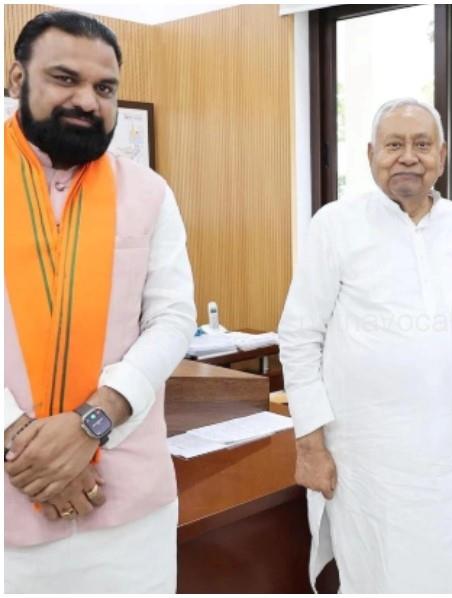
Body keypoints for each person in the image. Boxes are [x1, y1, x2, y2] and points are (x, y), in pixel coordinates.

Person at [4, 11, 196, 593]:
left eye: (105, 88)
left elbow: (172, 318)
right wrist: (28, 446)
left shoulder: (149, 191)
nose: (87, 100)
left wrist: (93, 422)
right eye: (65, 78)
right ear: (17, 78)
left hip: (128, 507)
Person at [278, 97, 452, 593]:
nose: (408, 157)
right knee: (379, 575)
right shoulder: (335, 223)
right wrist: (309, 445)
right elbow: (300, 335)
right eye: (394, 145)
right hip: (367, 456)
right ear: (371, 153)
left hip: (448, 452)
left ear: (442, 154)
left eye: (422, 144)